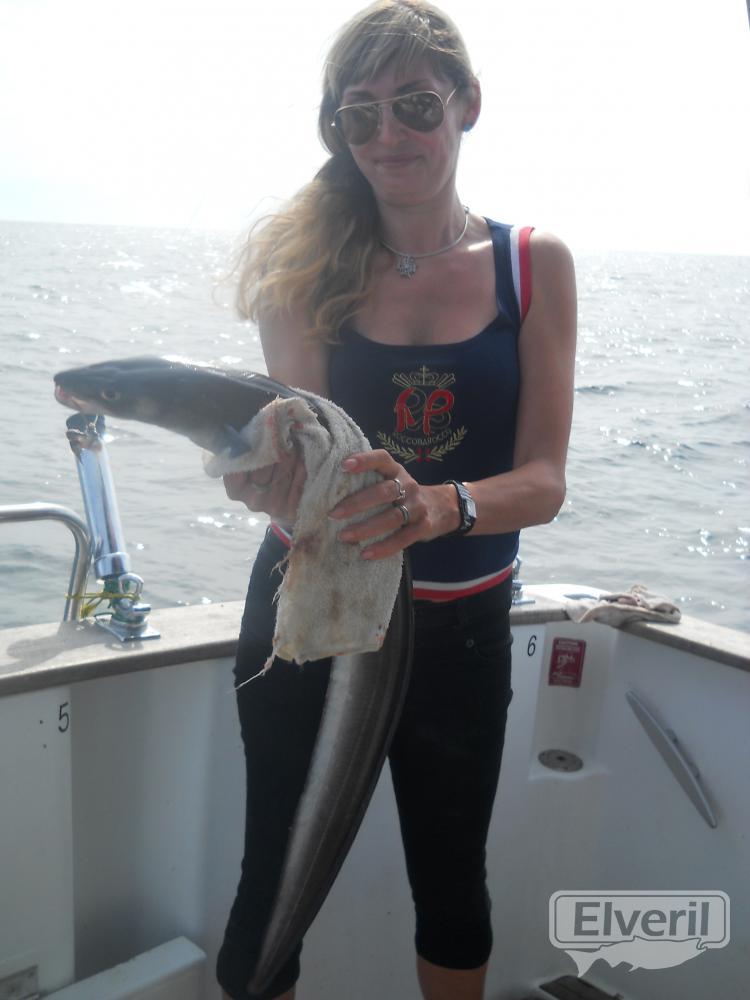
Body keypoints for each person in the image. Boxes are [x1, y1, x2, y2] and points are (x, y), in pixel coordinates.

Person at [216, 1, 576, 997]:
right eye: (360, 114)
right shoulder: (300, 267)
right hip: (309, 618)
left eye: (415, 104)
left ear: (467, 104)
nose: (388, 134)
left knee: (453, 888)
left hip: (461, 625)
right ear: (338, 129)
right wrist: (265, 483)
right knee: (272, 886)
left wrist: (439, 505)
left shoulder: (532, 265)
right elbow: (303, 468)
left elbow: (544, 481)